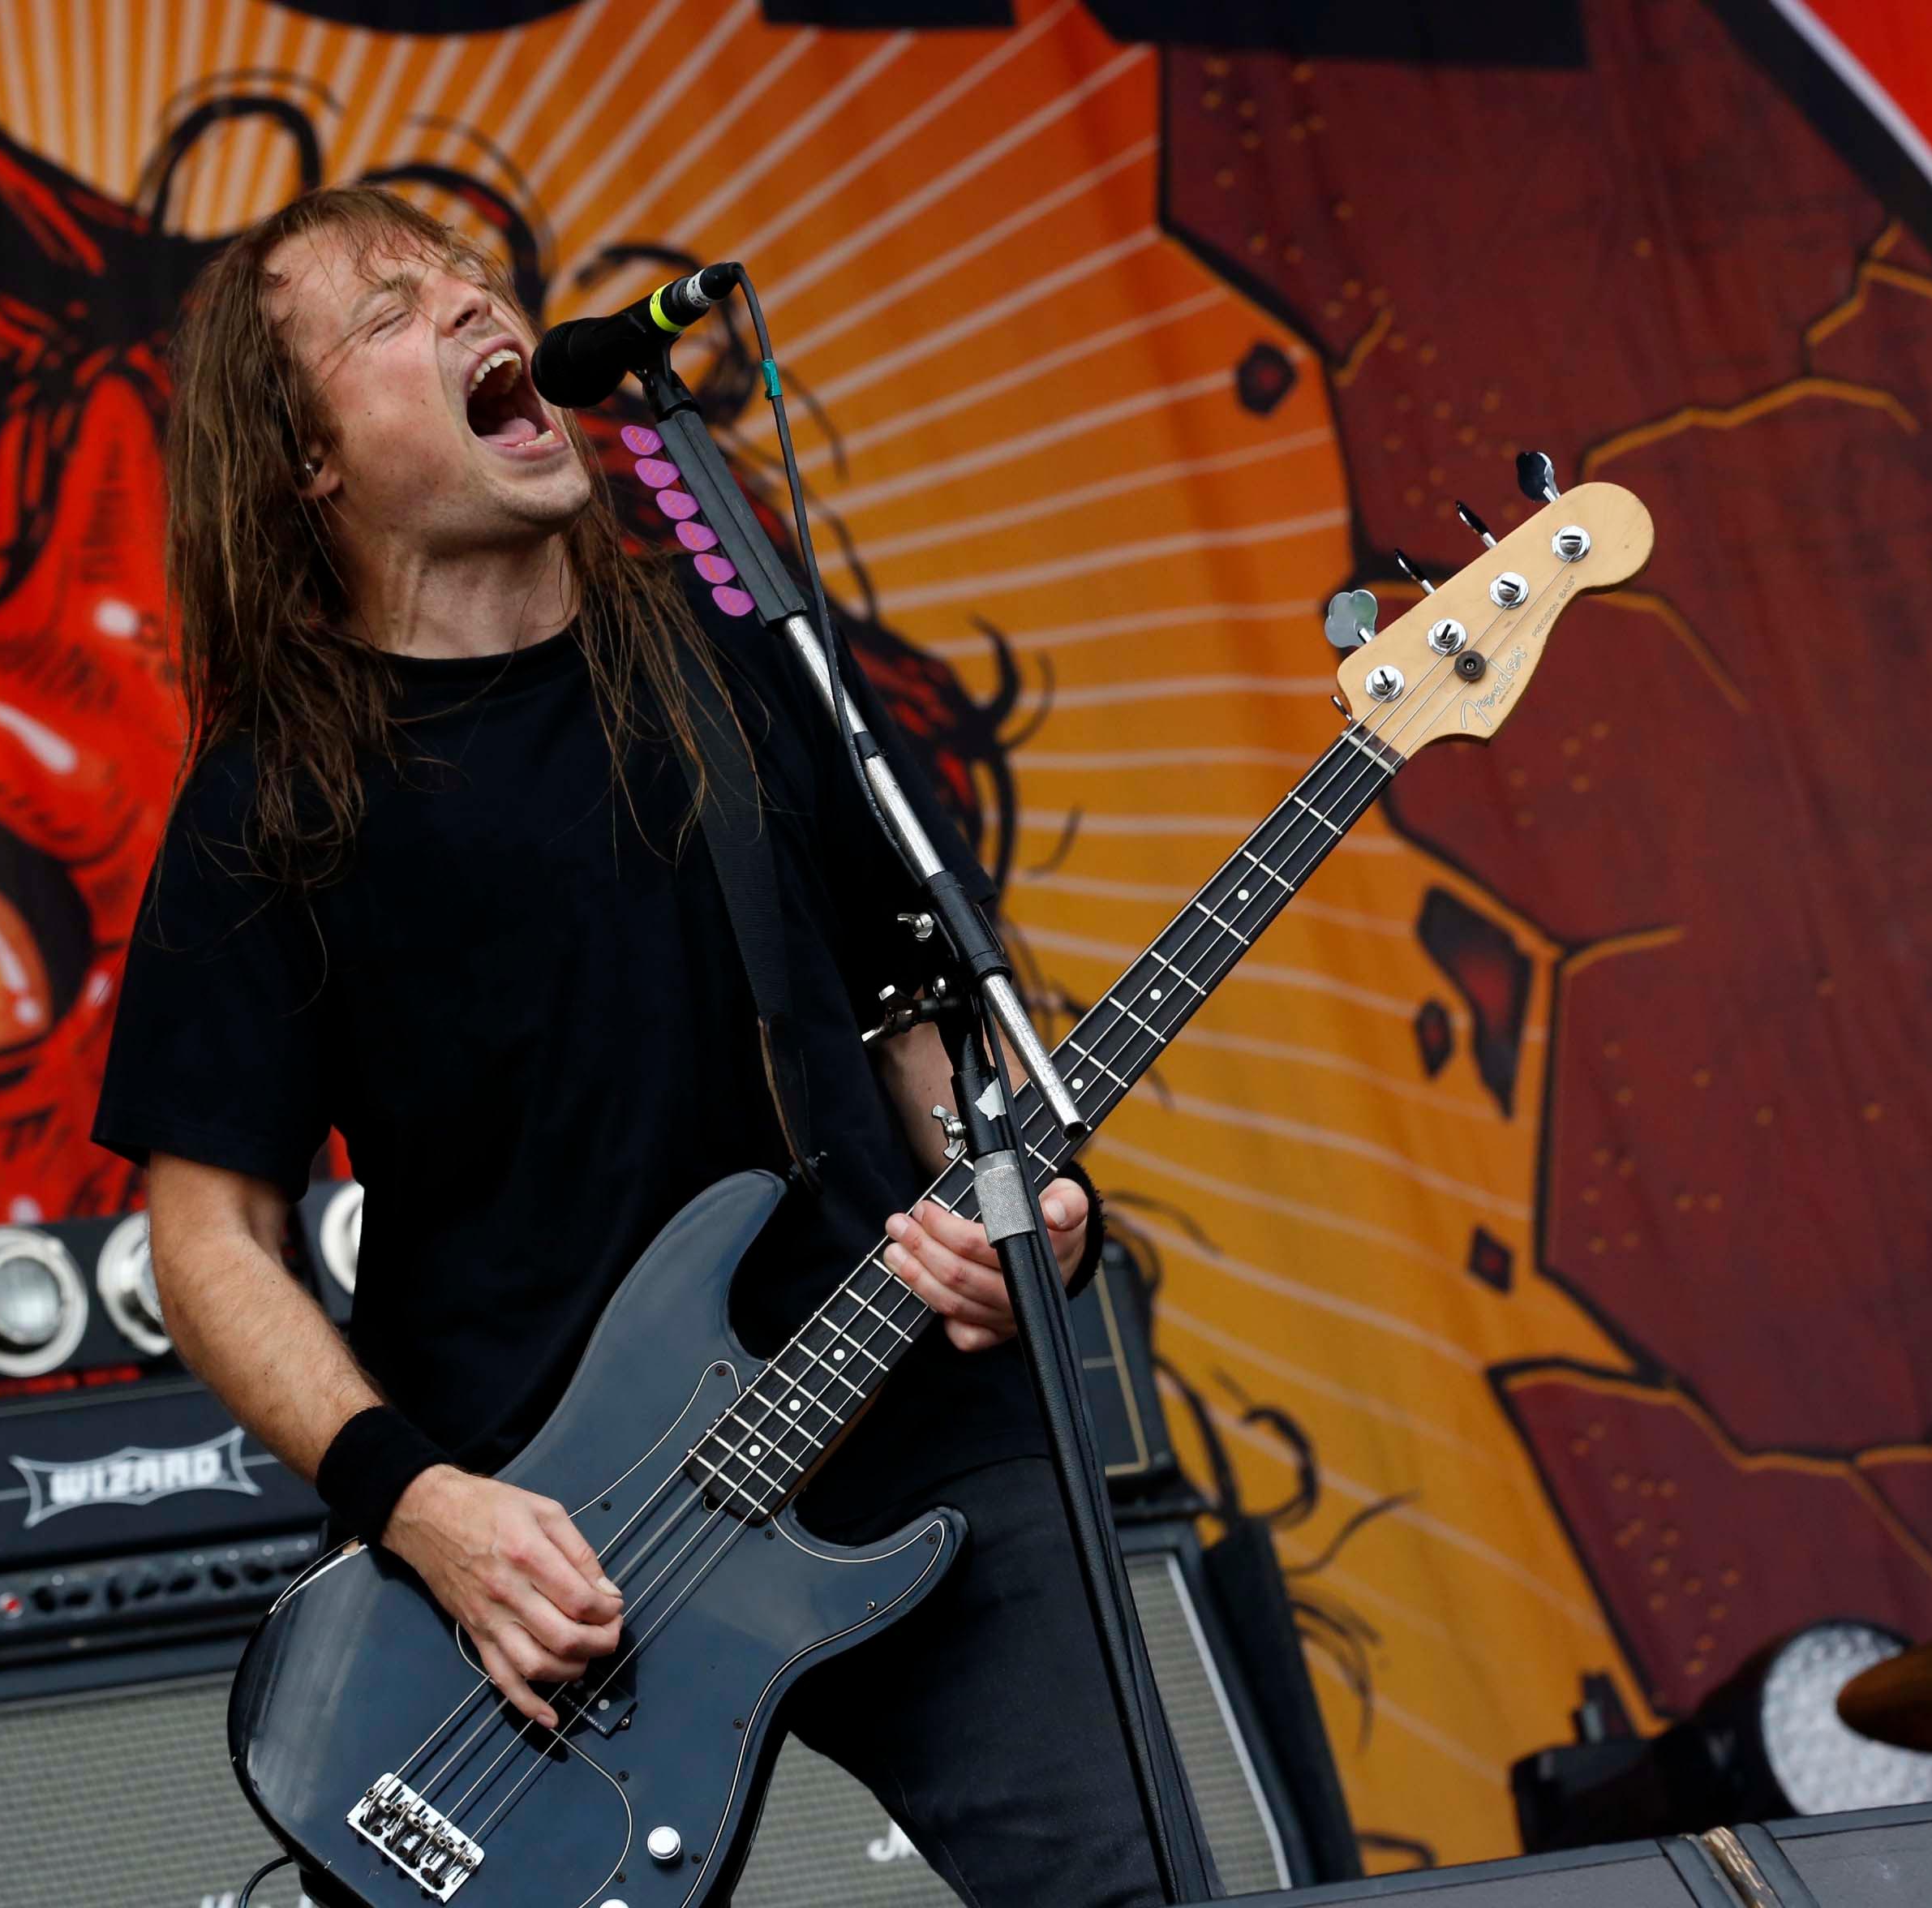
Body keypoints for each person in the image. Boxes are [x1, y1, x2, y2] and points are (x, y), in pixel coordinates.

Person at [92, 184, 1161, 1908]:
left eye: (466, 277)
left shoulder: (740, 648)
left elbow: (920, 1009)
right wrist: (424, 1511)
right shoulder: (276, 802)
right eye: (385, 311)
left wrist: (1021, 1197)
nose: (461, 303)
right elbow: (206, 1234)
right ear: (306, 464)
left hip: (905, 1426)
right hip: (543, 1550)